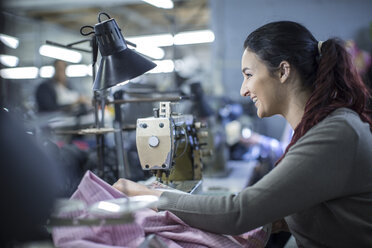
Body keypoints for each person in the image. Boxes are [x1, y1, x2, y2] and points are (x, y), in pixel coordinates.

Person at [112, 21, 372, 247]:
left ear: (283, 71)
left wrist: (150, 196)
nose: (243, 90)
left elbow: (238, 213)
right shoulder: (323, 127)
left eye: (248, 75)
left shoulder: (335, 133)